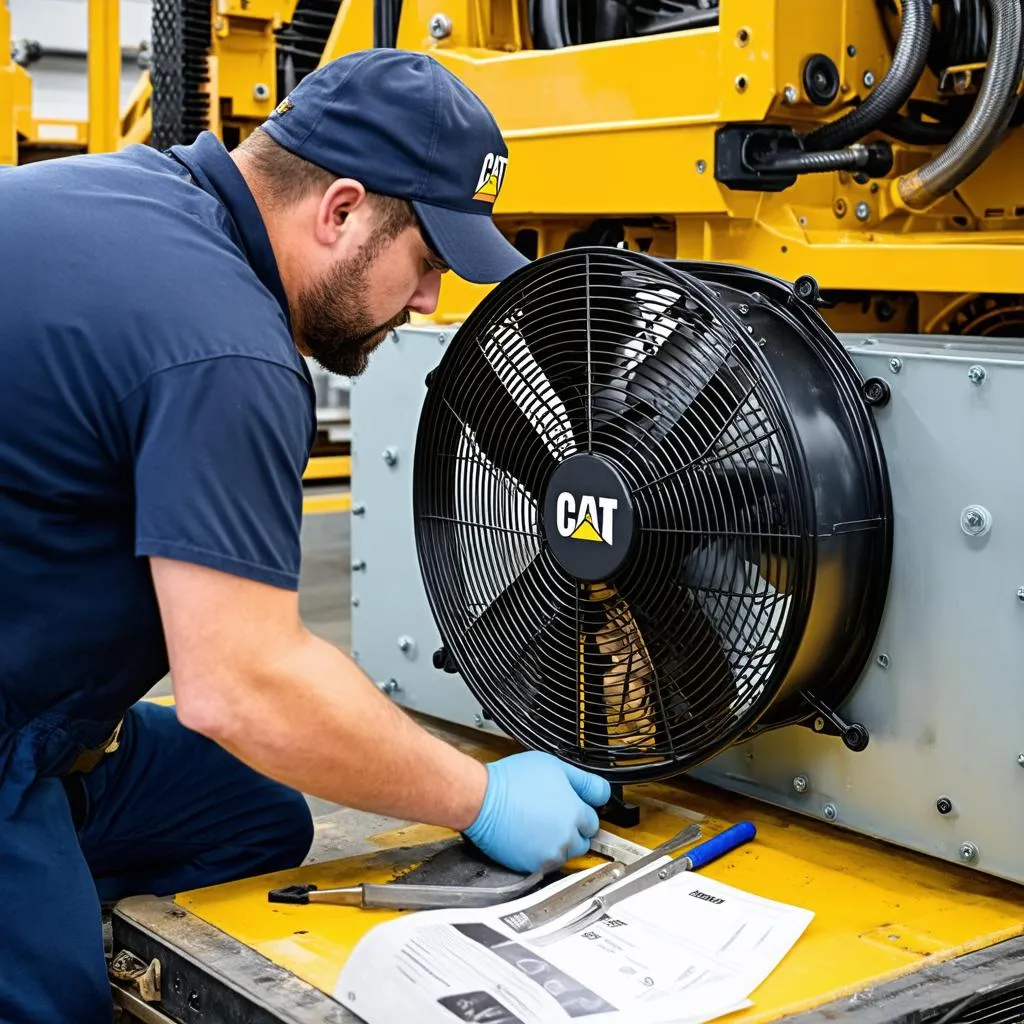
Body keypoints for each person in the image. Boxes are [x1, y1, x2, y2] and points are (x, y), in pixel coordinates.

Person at [0, 48, 611, 1023]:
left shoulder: (144, 200)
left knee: (249, 817)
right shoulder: (225, 345)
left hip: (34, 712)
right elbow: (240, 686)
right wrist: (477, 796)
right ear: (340, 211)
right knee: (54, 1001)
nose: (427, 304)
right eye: (426, 262)